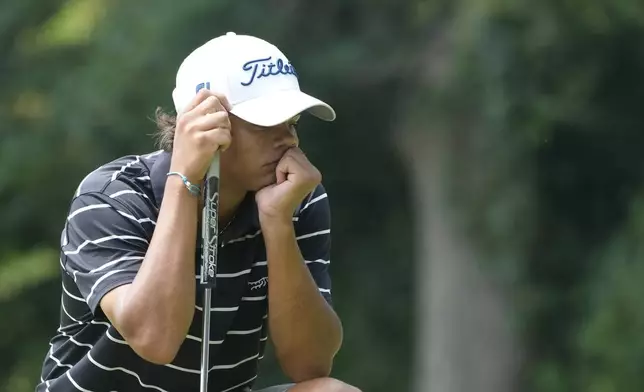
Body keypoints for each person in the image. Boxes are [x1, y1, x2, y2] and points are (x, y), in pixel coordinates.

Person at [36, 32, 361, 392]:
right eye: (266, 123)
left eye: (293, 122)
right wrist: (185, 180)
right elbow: (154, 339)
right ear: (202, 124)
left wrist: (278, 224)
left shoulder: (295, 197)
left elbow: (310, 364)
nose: (289, 139)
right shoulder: (110, 196)